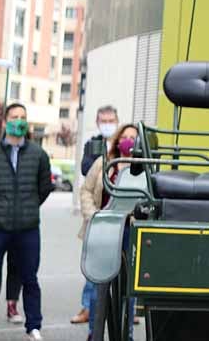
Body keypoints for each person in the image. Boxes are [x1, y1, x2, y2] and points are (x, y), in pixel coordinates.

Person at [0, 103, 51, 340]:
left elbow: (44, 188)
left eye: (23, 117)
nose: (19, 121)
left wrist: (29, 206)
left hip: (27, 228)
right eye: (14, 117)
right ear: (5, 122)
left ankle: (33, 325)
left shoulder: (38, 154)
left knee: (30, 277)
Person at [80, 123, 138, 340]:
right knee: (97, 287)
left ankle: (126, 335)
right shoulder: (103, 163)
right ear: (118, 139)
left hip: (129, 233)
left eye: (134, 138)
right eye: (126, 136)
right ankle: (94, 334)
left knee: (128, 291)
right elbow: (86, 190)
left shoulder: (144, 167)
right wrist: (93, 215)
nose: (129, 141)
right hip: (103, 231)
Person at [70, 106, 119, 325]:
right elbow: (85, 169)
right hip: (98, 217)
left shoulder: (124, 143)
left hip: (122, 218)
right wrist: (101, 157)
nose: (108, 123)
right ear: (98, 122)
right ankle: (87, 309)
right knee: (93, 268)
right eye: (104, 120)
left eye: (111, 120)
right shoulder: (93, 144)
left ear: (117, 120)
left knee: (123, 266)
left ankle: (122, 309)